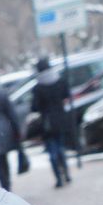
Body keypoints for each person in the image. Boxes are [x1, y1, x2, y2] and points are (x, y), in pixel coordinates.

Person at [31, 56, 75, 187]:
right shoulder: (60, 81)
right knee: (61, 147)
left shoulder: (38, 87)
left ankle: (58, 177)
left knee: (52, 150)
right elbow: (67, 96)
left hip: (47, 122)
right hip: (61, 119)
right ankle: (66, 172)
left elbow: (34, 107)